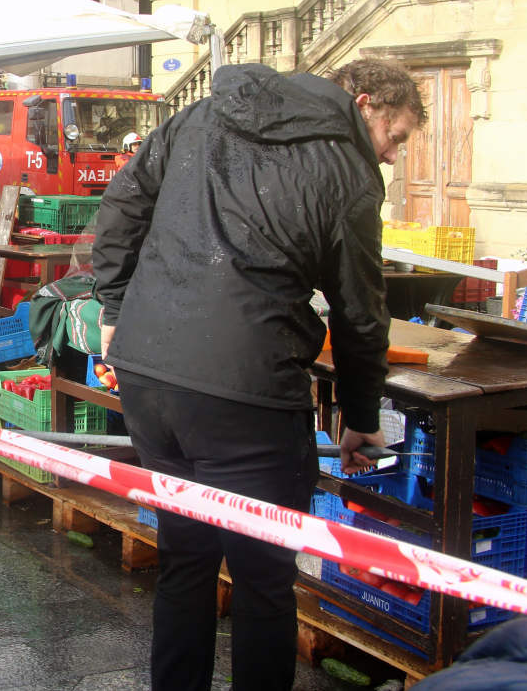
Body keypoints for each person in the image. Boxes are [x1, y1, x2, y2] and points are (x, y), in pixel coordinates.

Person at [91, 58, 426, 691]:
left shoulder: (205, 114)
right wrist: (359, 417)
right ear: (365, 105)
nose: (390, 156)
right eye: (396, 137)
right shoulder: (348, 172)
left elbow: (122, 203)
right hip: (243, 394)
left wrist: (115, 305)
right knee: (264, 577)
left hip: (150, 370)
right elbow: (360, 312)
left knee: (186, 561)